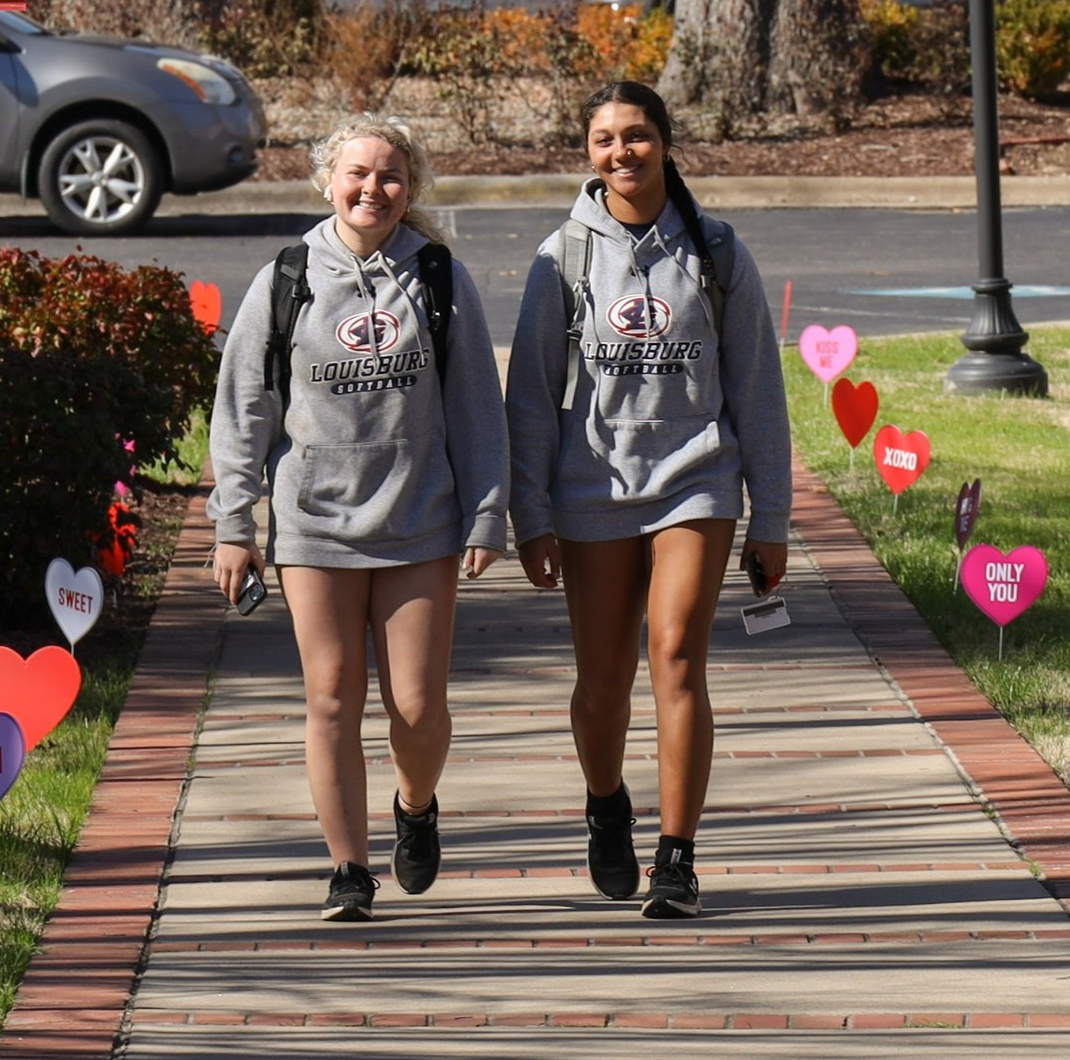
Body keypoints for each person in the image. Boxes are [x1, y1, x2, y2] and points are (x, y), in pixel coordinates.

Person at [208, 117, 509, 923]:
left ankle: (416, 803)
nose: (372, 189)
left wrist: (487, 515)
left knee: (416, 707)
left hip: (421, 520)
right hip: (314, 522)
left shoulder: (439, 278)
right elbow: (244, 405)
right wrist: (234, 523)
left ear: (411, 191)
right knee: (332, 696)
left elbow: (478, 406)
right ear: (325, 180)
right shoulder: (287, 277)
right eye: (358, 174)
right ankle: (348, 868)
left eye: (390, 177)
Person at [506, 80, 792, 919]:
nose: (620, 152)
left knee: (675, 655)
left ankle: (677, 856)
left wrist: (769, 516)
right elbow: (530, 396)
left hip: (697, 478)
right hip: (591, 487)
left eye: (635, 135)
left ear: (666, 142)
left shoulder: (717, 249)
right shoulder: (561, 256)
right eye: (602, 139)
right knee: (602, 683)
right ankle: (606, 805)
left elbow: (757, 391)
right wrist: (532, 514)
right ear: (588, 154)